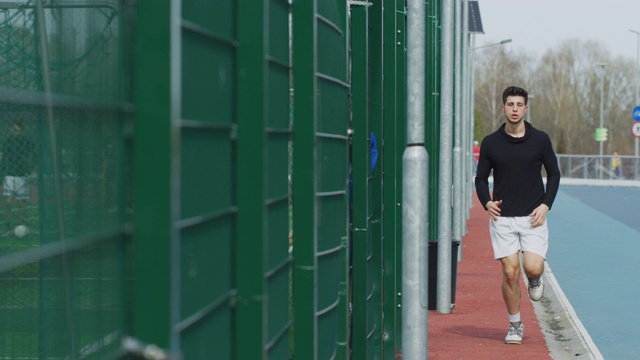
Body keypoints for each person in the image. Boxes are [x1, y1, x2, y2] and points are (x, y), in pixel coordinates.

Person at [474, 86, 561, 345]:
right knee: (510, 273)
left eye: (518, 104)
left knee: (531, 267)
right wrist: (486, 203)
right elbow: (480, 178)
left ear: (525, 108)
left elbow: (553, 174)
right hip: (503, 218)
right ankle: (515, 325)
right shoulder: (491, 142)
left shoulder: (540, 139)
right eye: (509, 104)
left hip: (533, 216)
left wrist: (546, 205)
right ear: (503, 108)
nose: (514, 109)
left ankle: (535, 279)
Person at [1, 119, 36, 236]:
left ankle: (19, 225)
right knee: (8, 201)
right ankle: (8, 227)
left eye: (18, 131)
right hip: (9, 174)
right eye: (14, 130)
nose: (16, 132)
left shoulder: (26, 142)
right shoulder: (7, 142)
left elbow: (34, 154)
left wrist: (30, 168)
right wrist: (2, 175)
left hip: (22, 174)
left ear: (21, 131)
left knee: (21, 203)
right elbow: (4, 159)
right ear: (12, 129)